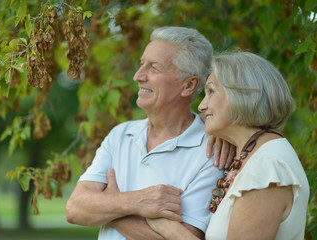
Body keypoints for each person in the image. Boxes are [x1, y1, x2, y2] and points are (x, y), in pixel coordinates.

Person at [65, 26, 232, 239]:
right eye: (141, 64)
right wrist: (136, 201)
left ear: (188, 85)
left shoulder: (211, 151)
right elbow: (74, 209)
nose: (137, 76)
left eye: (153, 68)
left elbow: (182, 238)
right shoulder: (120, 134)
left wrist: (109, 206)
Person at [143, 51, 310, 239]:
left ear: (242, 92)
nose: (201, 106)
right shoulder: (253, 153)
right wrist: (222, 131)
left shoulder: (267, 167)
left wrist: (169, 229)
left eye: (211, 91)